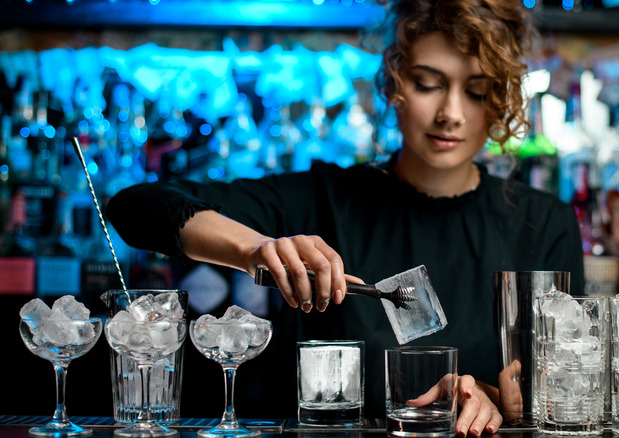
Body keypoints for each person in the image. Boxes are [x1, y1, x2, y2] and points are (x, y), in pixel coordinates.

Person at [106, 0, 584, 435]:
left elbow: (560, 396)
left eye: (477, 92)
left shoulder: (544, 224)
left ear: (501, 99)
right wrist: (254, 249)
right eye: (427, 84)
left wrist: (493, 401)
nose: (451, 114)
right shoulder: (320, 199)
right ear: (394, 82)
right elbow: (135, 207)